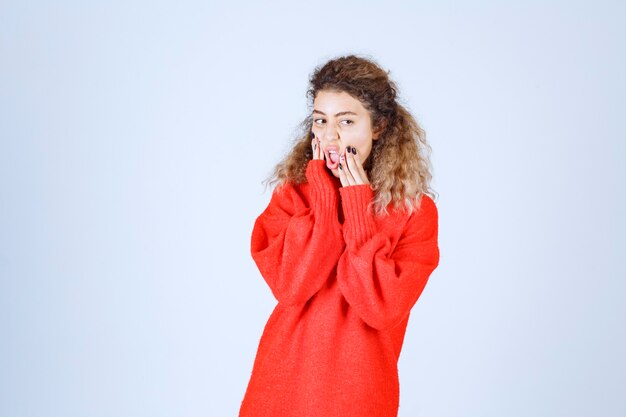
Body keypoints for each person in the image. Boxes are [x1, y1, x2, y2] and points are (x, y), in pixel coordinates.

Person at [238, 55, 440, 417]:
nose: (329, 136)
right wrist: (322, 194)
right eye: (321, 121)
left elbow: (379, 308)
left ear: (378, 126)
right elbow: (292, 286)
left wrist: (358, 205)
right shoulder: (293, 195)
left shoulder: (414, 212)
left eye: (346, 121)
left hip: (358, 394)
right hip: (280, 386)